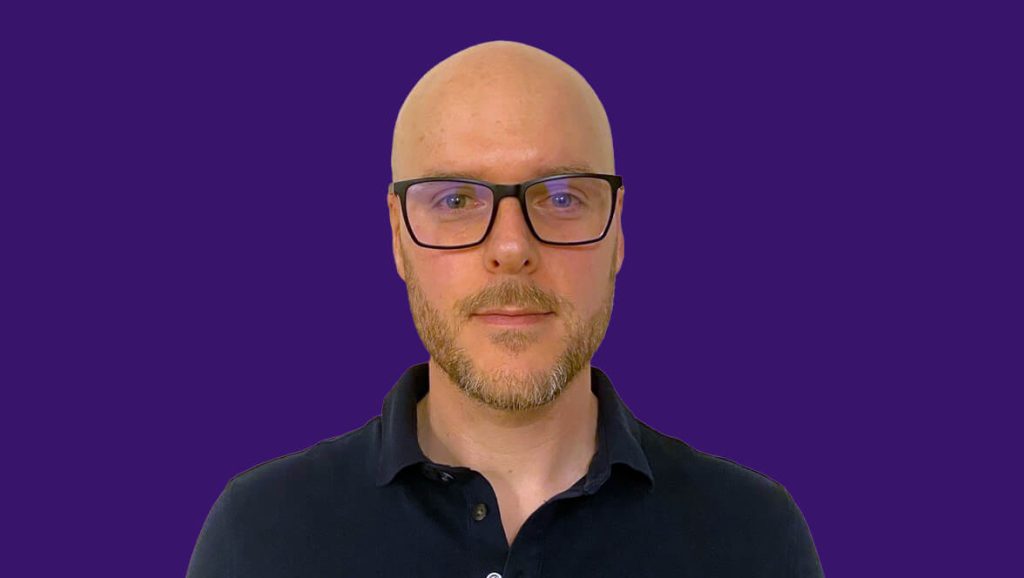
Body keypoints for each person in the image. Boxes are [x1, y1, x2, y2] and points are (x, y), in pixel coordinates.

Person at [187, 40, 825, 577]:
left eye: (563, 197)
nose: (512, 248)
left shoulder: (754, 536)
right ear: (398, 236)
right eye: (456, 201)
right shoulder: (260, 534)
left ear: (618, 231)